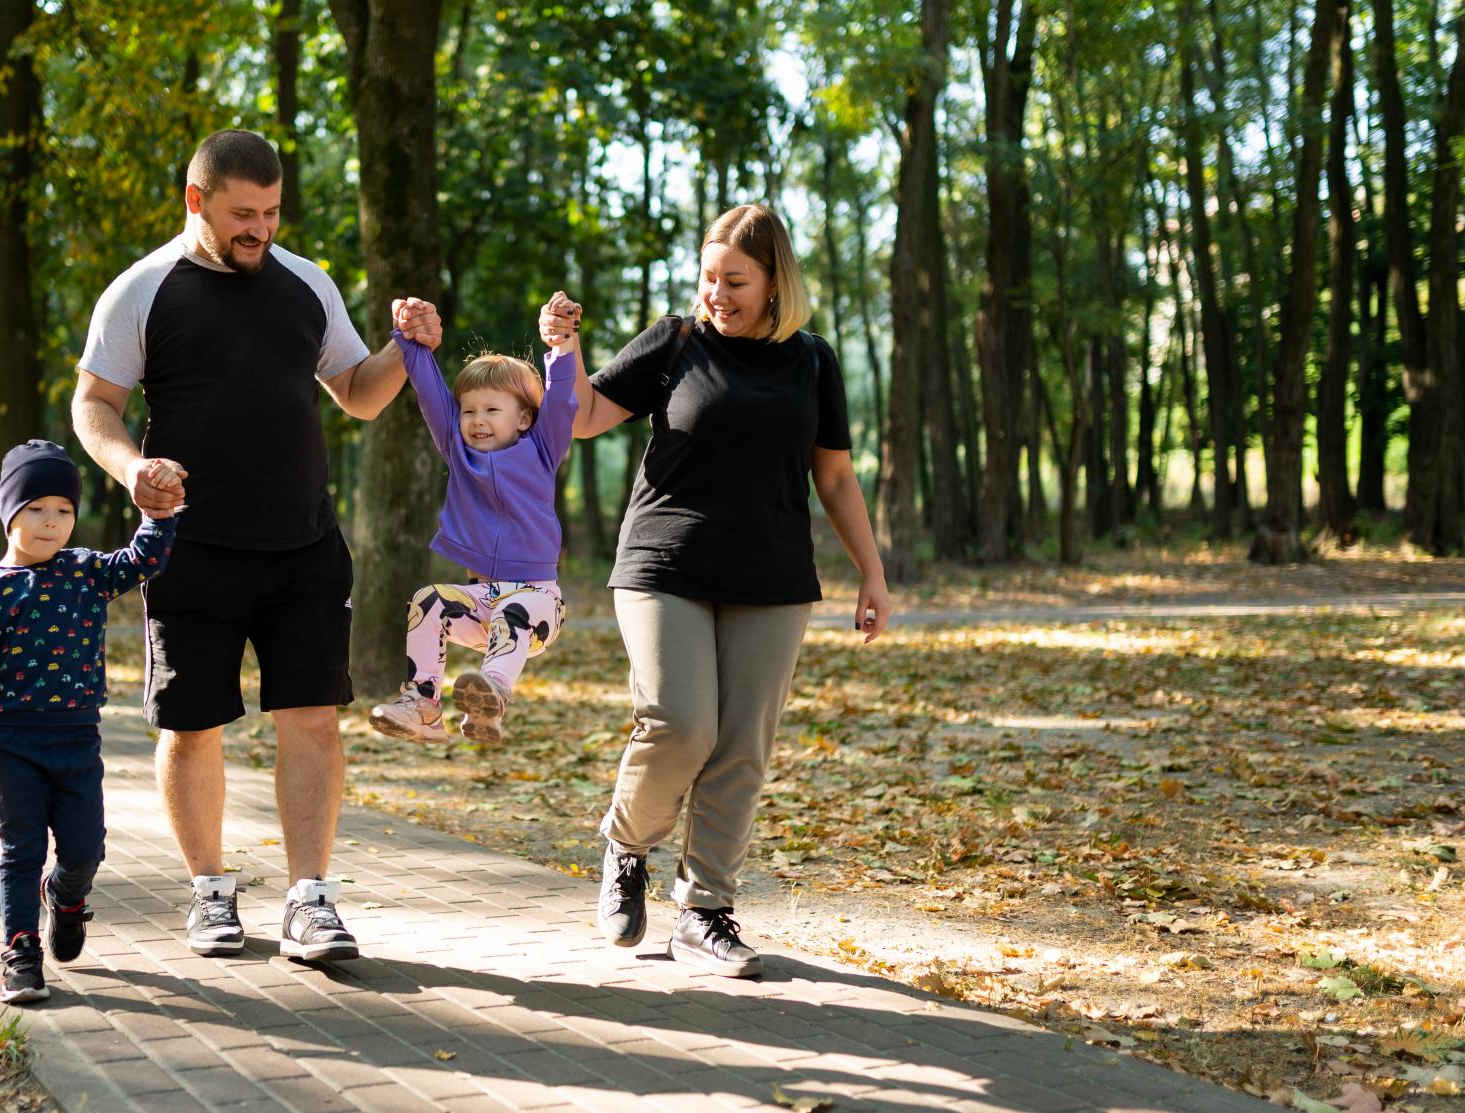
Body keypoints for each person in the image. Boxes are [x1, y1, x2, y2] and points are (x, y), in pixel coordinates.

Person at [70, 129, 440, 963]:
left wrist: (406, 352)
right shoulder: (141, 290)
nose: (261, 230)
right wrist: (132, 469)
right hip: (190, 547)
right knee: (193, 724)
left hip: (303, 542)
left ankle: (310, 901)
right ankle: (209, 892)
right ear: (196, 201)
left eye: (272, 213)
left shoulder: (306, 283)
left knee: (312, 718)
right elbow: (94, 404)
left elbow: (356, 394)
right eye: (244, 214)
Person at [549, 204, 891, 979]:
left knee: (741, 746)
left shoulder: (812, 360)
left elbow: (833, 473)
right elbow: (587, 416)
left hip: (771, 576)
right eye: (709, 277)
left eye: (735, 280)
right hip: (663, 562)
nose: (717, 294)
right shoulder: (675, 341)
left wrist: (871, 570)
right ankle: (626, 845)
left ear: (775, 282)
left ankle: (704, 910)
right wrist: (564, 350)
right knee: (679, 722)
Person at [0, 439, 177, 1004]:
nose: (52, 523)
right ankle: (21, 953)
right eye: (36, 510)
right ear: (9, 514)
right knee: (19, 851)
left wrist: (158, 511)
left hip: (77, 741)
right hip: (13, 744)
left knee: (85, 848)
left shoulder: (85, 572)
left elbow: (143, 560)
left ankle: (66, 896)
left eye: (64, 511)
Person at [366, 313, 578, 746]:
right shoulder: (456, 450)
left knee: (513, 612)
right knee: (429, 600)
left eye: (491, 410)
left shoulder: (543, 448)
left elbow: (560, 399)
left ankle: (492, 697)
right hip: (479, 601)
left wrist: (562, 344)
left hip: (536, 604)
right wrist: (410, 342)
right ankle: (422, 706)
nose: (477, 420)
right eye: (469, 411)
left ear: (523, 419)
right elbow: (430, 395)